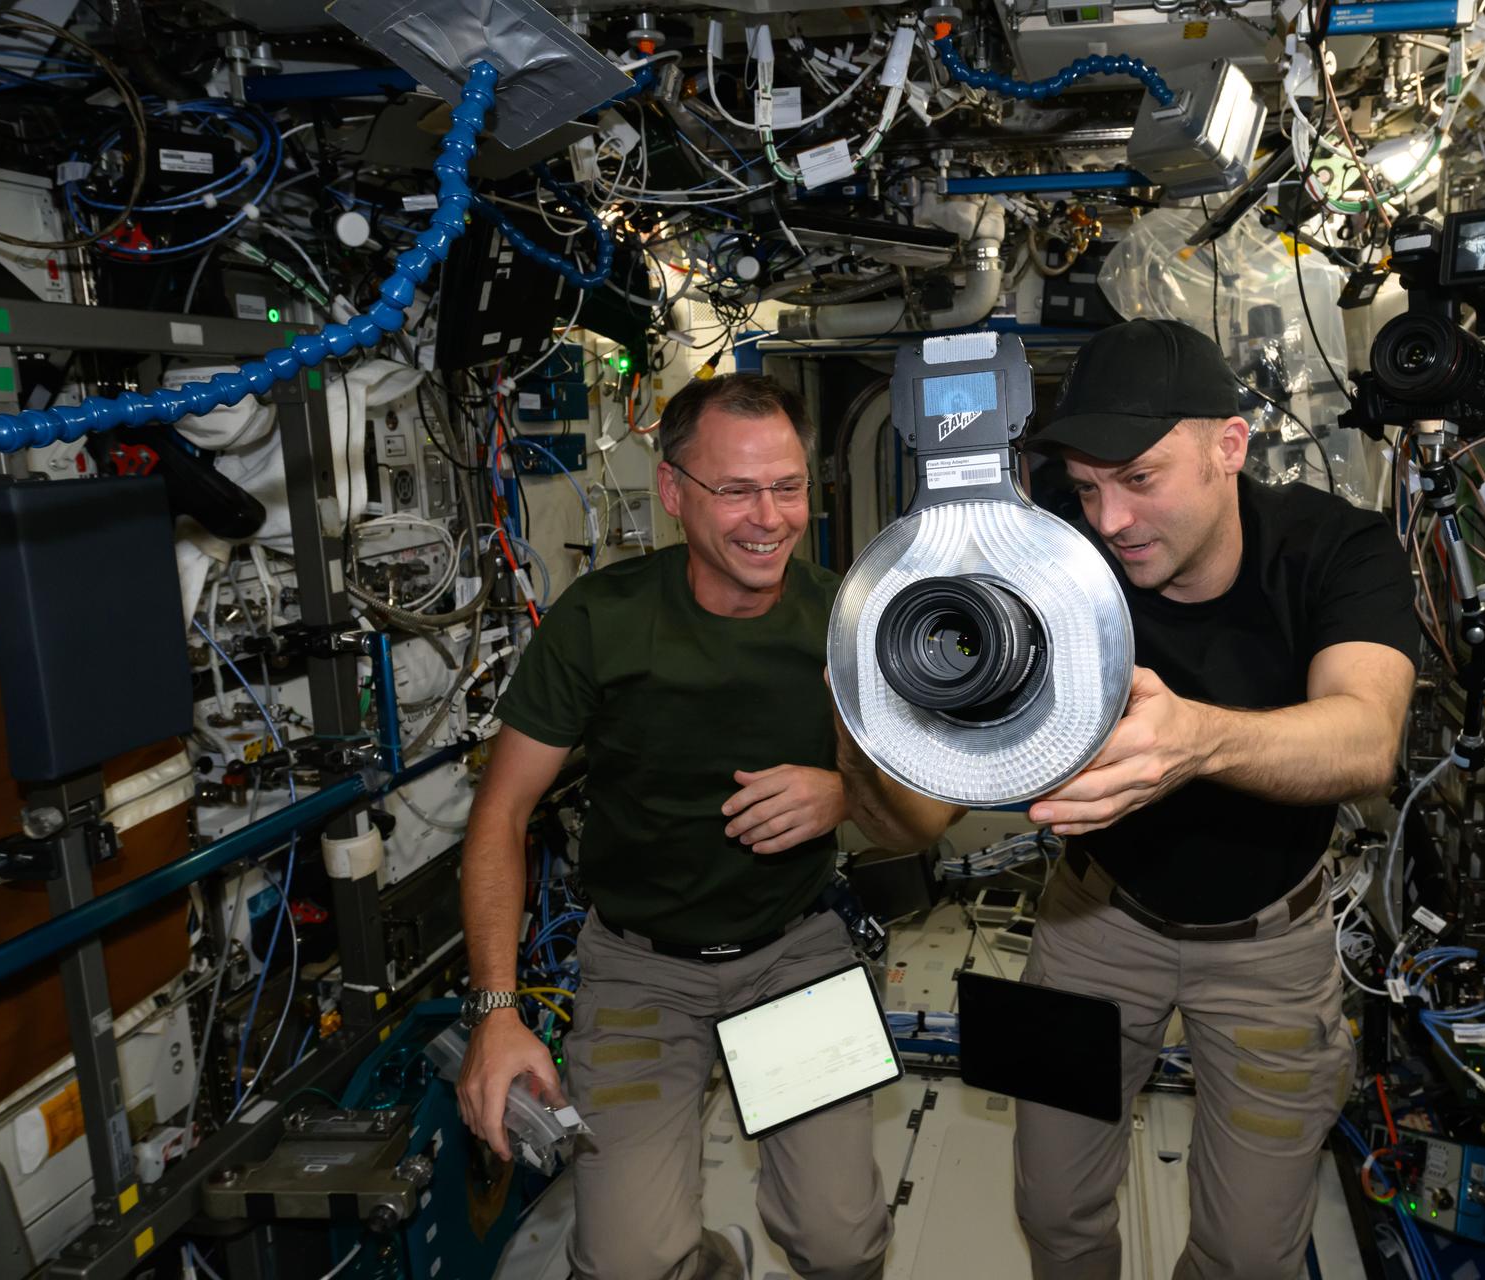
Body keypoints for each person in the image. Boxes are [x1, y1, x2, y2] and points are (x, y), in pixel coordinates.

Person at [455, 373, 951, 1280]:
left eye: (789, 486)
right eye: (737, 489)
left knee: (839, 1243)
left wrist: (844, 793)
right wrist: (497, 1012)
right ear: (674, 493)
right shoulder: (602, 621)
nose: (772, 517)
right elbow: (501, 813)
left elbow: (921, 819)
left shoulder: (846, 623)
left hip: (792, 955)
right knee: (630, 1263)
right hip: (642, 970)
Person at [1012, 318, 1420, 1279]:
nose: (1110, 520)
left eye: (1141, 479)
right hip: (1095, 920)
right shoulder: (1065, 557)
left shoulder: (1339, 549)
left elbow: (1367, 741)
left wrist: (1201, 738)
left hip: (1270, 945)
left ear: (1229, 447)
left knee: (1247, 1254)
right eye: (1086, 489)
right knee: (1053, 1205)